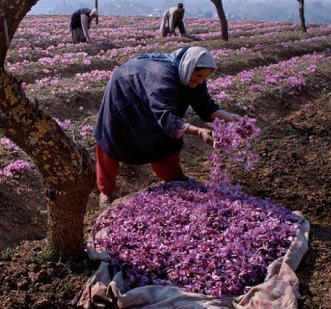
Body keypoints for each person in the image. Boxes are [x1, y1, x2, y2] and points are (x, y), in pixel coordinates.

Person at [93, 46, 242, 207]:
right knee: (114, 139)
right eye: (199, 76)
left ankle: (174, 177)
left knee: (165, 138)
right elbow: (166, 116)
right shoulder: (163, 77)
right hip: (124, 92)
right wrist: (199, 131)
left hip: (151, 95)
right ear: (189, 67)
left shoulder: (190, 74)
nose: (200, 81)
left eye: (204, 78)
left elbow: (206, 106)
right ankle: (105, 191)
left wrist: (232, 118)